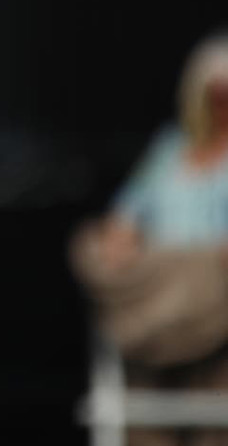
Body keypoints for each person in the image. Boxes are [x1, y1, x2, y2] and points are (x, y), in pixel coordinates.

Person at [72, 32, 228, 446]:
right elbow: (128, 211)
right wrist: (119, 237)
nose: (222, 105)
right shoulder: (170, 150)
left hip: (217, 311)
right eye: (215, 95)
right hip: (156, 299)